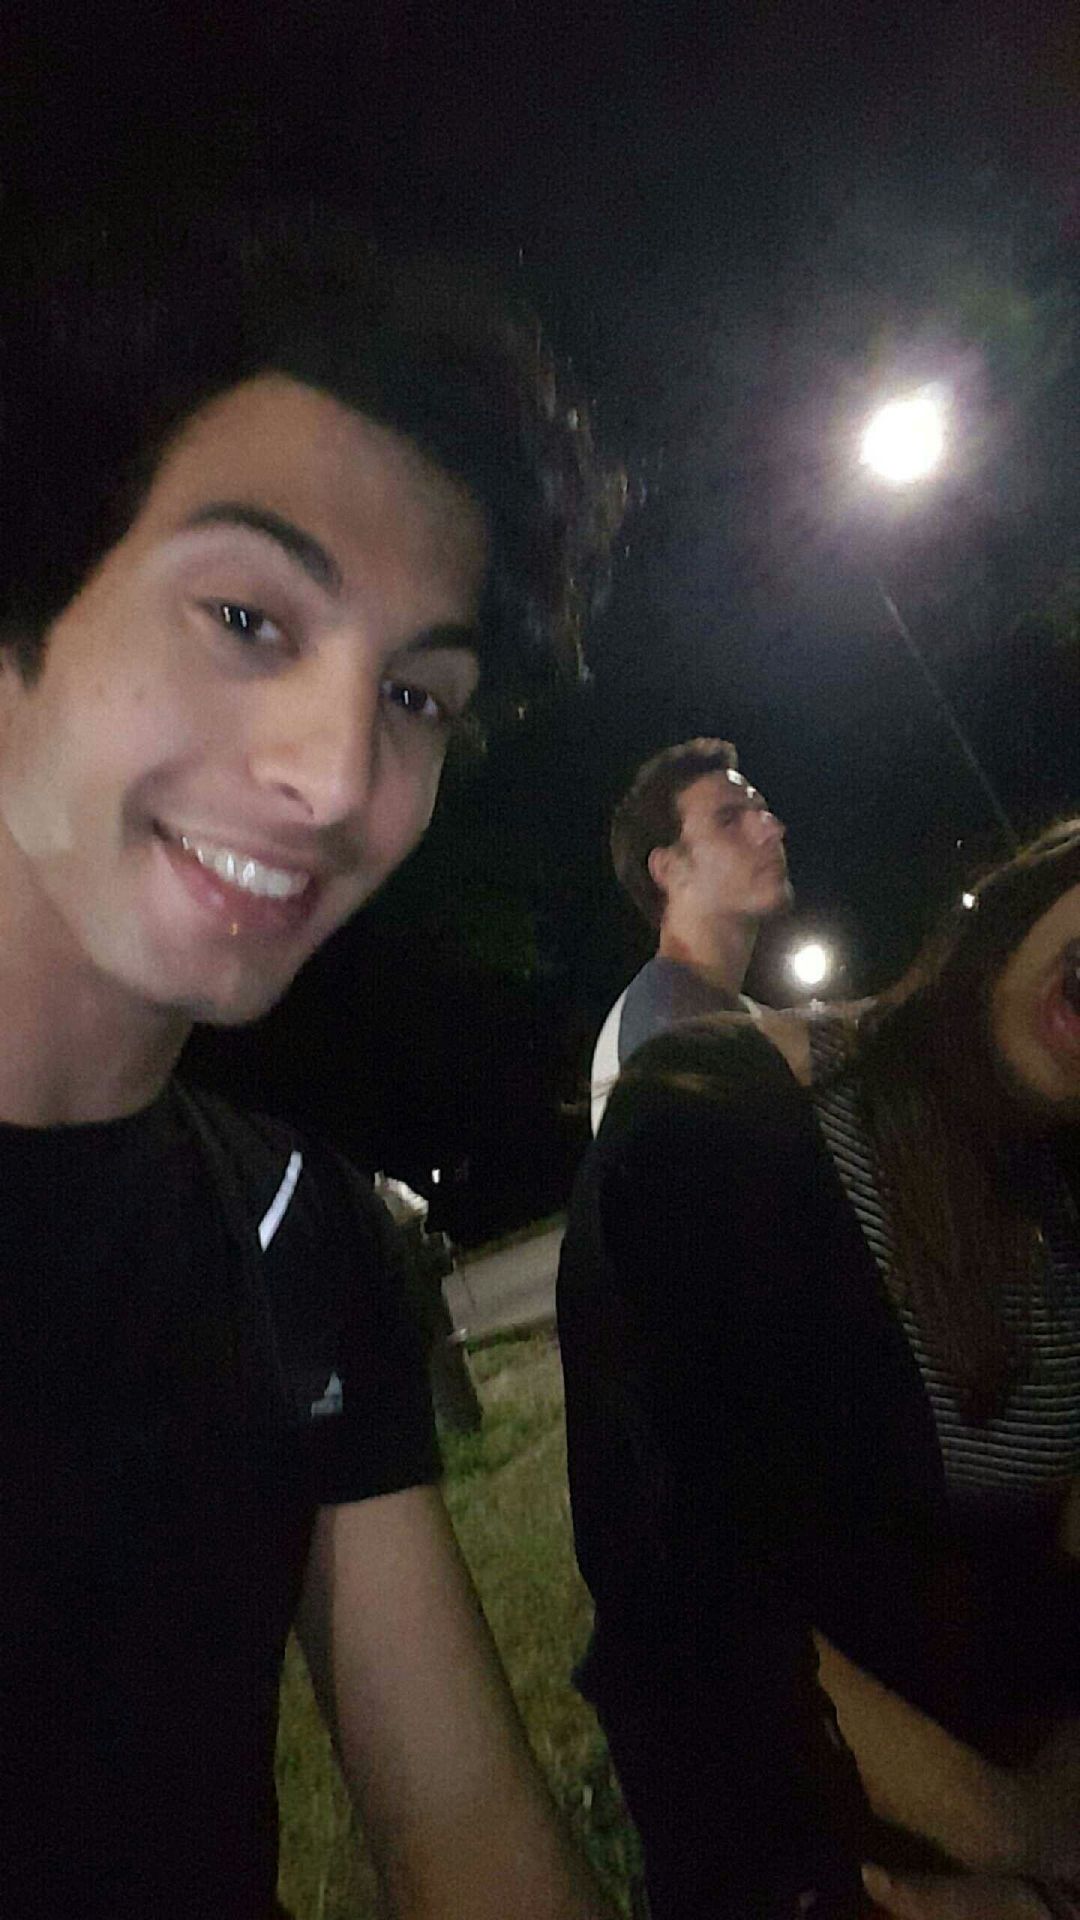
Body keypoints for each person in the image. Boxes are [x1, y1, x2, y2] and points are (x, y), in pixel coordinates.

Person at [0, 204, 622, 1918]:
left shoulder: (295, 1232)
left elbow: (468, 1842)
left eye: (418, 697)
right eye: (248, 617)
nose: (340, 778)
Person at [559, 821, 1080, 1919]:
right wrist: (1014, 1838)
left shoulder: (1059, 1203)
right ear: (1044, 878)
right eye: (730, 812)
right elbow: (697, 1604)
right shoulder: (714, 1118)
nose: (774, 826)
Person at [589, 737, 791, 1131]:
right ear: (668, 869)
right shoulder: (663, 1026)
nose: (771, 829)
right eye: (729, 819)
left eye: (762, 810)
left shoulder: (726, 1016)